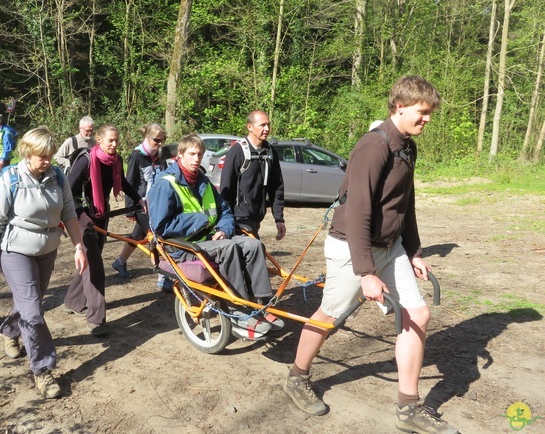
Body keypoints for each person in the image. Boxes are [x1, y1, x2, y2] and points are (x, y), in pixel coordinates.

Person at [282, 76, 458, 434]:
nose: (427, 120)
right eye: (422, 113)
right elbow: (360, 210)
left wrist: (414, 252)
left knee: (418, 314)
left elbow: (404, 205)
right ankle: (297, 376)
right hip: (351, 247)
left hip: (390, 247)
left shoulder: (407, 147)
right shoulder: (373, 147)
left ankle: (409, 408)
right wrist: (366, 272)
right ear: (399, 106)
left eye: (429, 114)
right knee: (330, 315)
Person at [0, 126, 87, 400]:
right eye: (42, 156)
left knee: (29, 303)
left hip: (47, 251)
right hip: (16, 252)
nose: (47, 161)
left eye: (49, 155)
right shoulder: (9, 179)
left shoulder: (57, 177)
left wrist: (79, 246)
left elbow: (70, 214)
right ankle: (43, 370)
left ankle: (9, 330)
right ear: (27, 153)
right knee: (34, 311)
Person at [148, 134, 280, 337]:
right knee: (228, 248)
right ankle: (238, 309)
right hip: (183, 246)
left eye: (199, 154)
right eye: (191, 154)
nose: (196, 159)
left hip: (210, 238)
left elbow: (225, 210)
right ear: (179, 156)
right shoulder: (166, 184)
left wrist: (225, 230)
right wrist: (200, 219)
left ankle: (260, 303)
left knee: (253, 244)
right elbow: (161, 226)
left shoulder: (203, 181)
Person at [62, 123, 142, 337]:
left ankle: (72, 301)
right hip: (81, 218)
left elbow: (122, 182)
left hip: (101, 214)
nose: (115, 144)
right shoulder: (86, 161)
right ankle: (97, 320)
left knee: (90, 262)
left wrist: (138, 198)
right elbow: (67, 191)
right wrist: (80, 213)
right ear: (99, 140)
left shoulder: (116, 161)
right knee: (96, 268)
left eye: (117, 140)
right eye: (110, 141)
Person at [110, 123, 171, 291]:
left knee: (137, 235)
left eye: (162, 140)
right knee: (156, 237)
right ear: (147, 138)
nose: (159, 144)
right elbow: (128, 182)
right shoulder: (136, 155)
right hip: (141, 205)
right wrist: (130, 208)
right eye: (156, 140)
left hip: (157, 204)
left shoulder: (160, 156)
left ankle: (119, 262)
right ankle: (163, 276)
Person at [220, 109, 286, 241]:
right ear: (249, 127)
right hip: (239, 218)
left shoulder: (270, 152)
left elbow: (277, 187)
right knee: (253, 254)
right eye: (262, 125)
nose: (267, 129)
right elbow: (226, 187)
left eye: (268, 125)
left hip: (257, 216)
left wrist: (279, 218)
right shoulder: (237, 151)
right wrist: (226, 221)